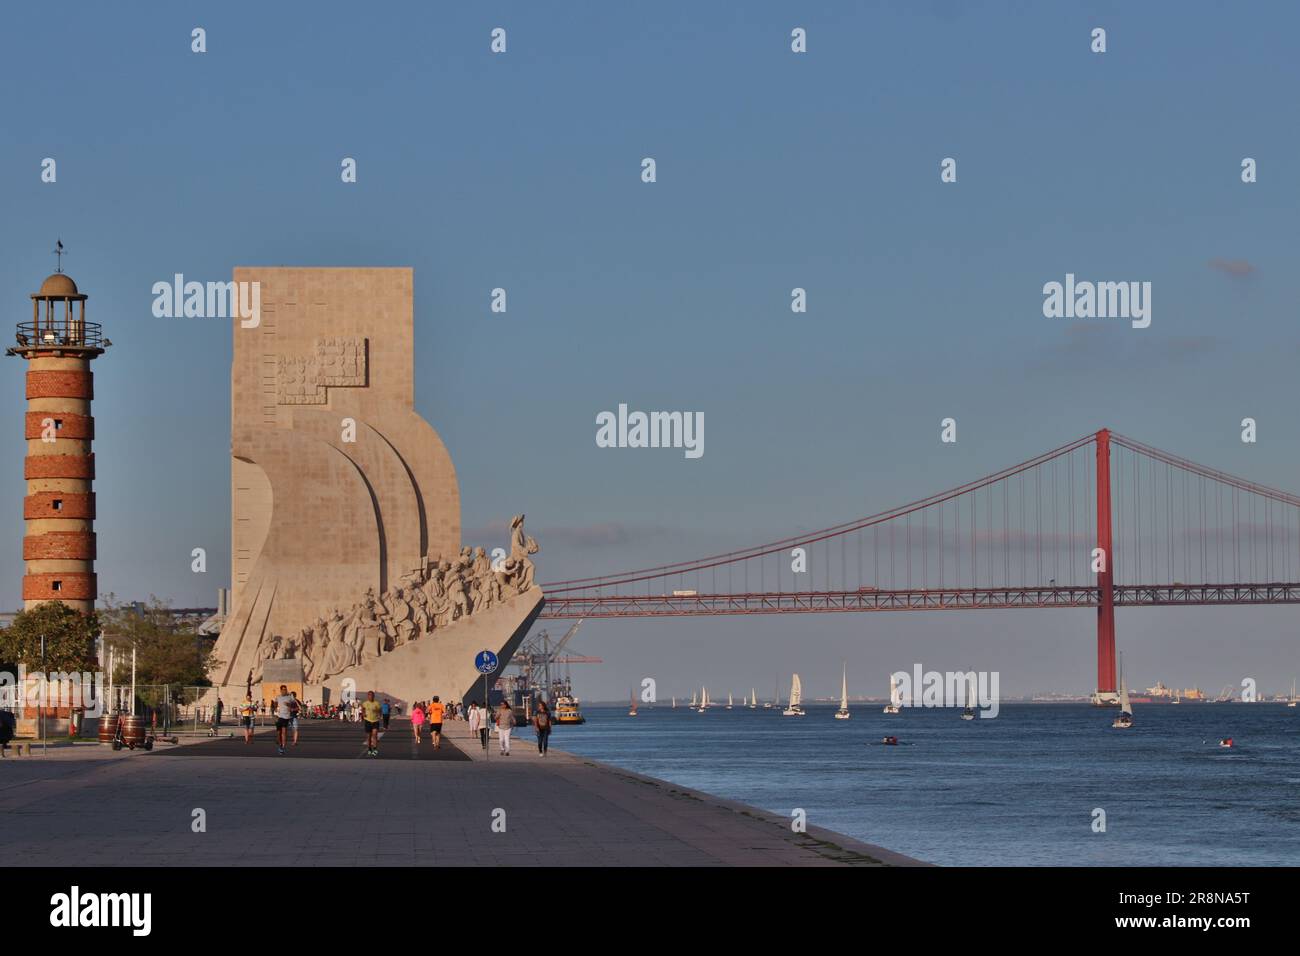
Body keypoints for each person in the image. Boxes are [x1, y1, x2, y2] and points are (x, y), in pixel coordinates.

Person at [271, 685, 296, 755]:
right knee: (279, 732)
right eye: (283, 689)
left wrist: (289, 705)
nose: (285, 690)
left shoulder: (290, 697)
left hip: (286, 717)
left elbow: (294, 705)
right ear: (281, 690)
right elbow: (275, 704)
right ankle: (280, 743)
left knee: (284, 732)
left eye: (285, 689)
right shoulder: (278, 697)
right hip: (279, 716)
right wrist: (275, 708)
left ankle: (282, 746)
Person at [361, 691, 383, 756]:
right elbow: (363, 708)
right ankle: (369, 749)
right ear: (368, 696)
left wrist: (379, 715)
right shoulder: (365, 703)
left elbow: (380, 710)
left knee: (375, 735)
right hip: (368, 721)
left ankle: (375, 749)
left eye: (372, 695)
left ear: (374, 696)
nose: (371, 696)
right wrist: (363, 713)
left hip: (375, 721)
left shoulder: (377, 703)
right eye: (369, 695)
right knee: (369, 736)